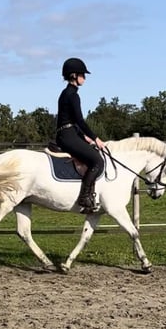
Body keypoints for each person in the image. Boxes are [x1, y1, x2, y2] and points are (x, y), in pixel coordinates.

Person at [55, 57, 106, 213]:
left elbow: (71, 121)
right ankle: (84, 197)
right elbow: (79, 120)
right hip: (67, 135)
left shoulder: (66, 93)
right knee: (98, 161)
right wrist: (96, 138)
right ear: (74, 75)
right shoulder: (72, 95)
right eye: (82, 74)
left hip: (68, 133)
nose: (84, 78)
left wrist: (84, 137)